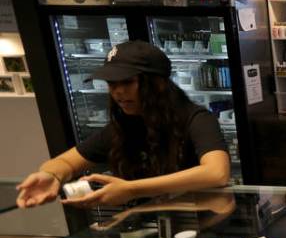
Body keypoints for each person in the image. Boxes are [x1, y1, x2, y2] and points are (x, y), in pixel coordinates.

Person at [16, 40, 230, 209]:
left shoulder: (196, 119)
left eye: (127, 82)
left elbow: (216, 173)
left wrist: (132, 190)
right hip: (150, 230)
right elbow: (66, 162)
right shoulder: (123, 128)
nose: (117, 92)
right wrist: (51, 175)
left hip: (202, 225)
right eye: (112, 83)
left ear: (158, 83)